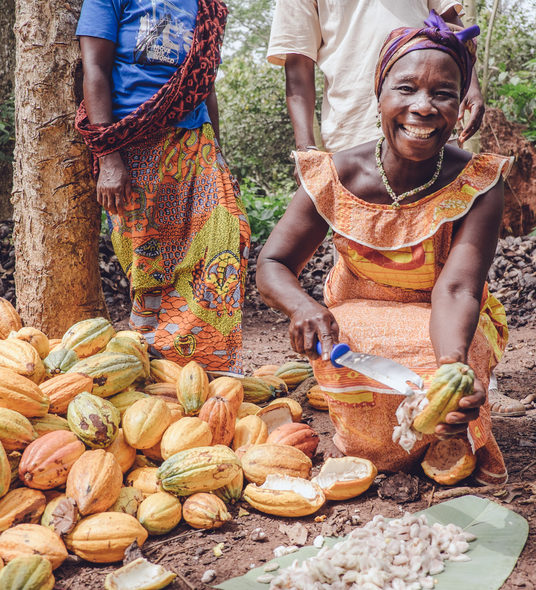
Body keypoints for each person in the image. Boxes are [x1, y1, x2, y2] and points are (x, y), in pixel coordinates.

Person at [257, 13, 511, 485]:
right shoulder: (336, 174)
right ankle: (380, 445)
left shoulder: (477, 181)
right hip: (359, 313)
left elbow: (456, 290)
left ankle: (450, 436)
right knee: (343, 340)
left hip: (442, 318)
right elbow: (272, 263)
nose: (424, 107)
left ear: (460, 106)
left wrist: (451, 369)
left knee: (458, 363)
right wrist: (301, 306)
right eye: (407, 88)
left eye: (443, 93)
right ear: (379, 95)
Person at [75, 0, 250, 375]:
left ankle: (210, 362)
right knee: (149, 258)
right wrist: (108, 156)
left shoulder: (207, 6)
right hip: (132, 137)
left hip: (194, 138)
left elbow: (206, 85)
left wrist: (217, 153)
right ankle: (152, 361)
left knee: (228, 234)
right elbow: (95, 68)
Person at [267, 0, 484, 153]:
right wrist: (306, 149)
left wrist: (471, 86)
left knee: (446, 209)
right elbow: (298, 69)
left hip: (431, 121)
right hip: (354, 131)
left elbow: (451, 29)